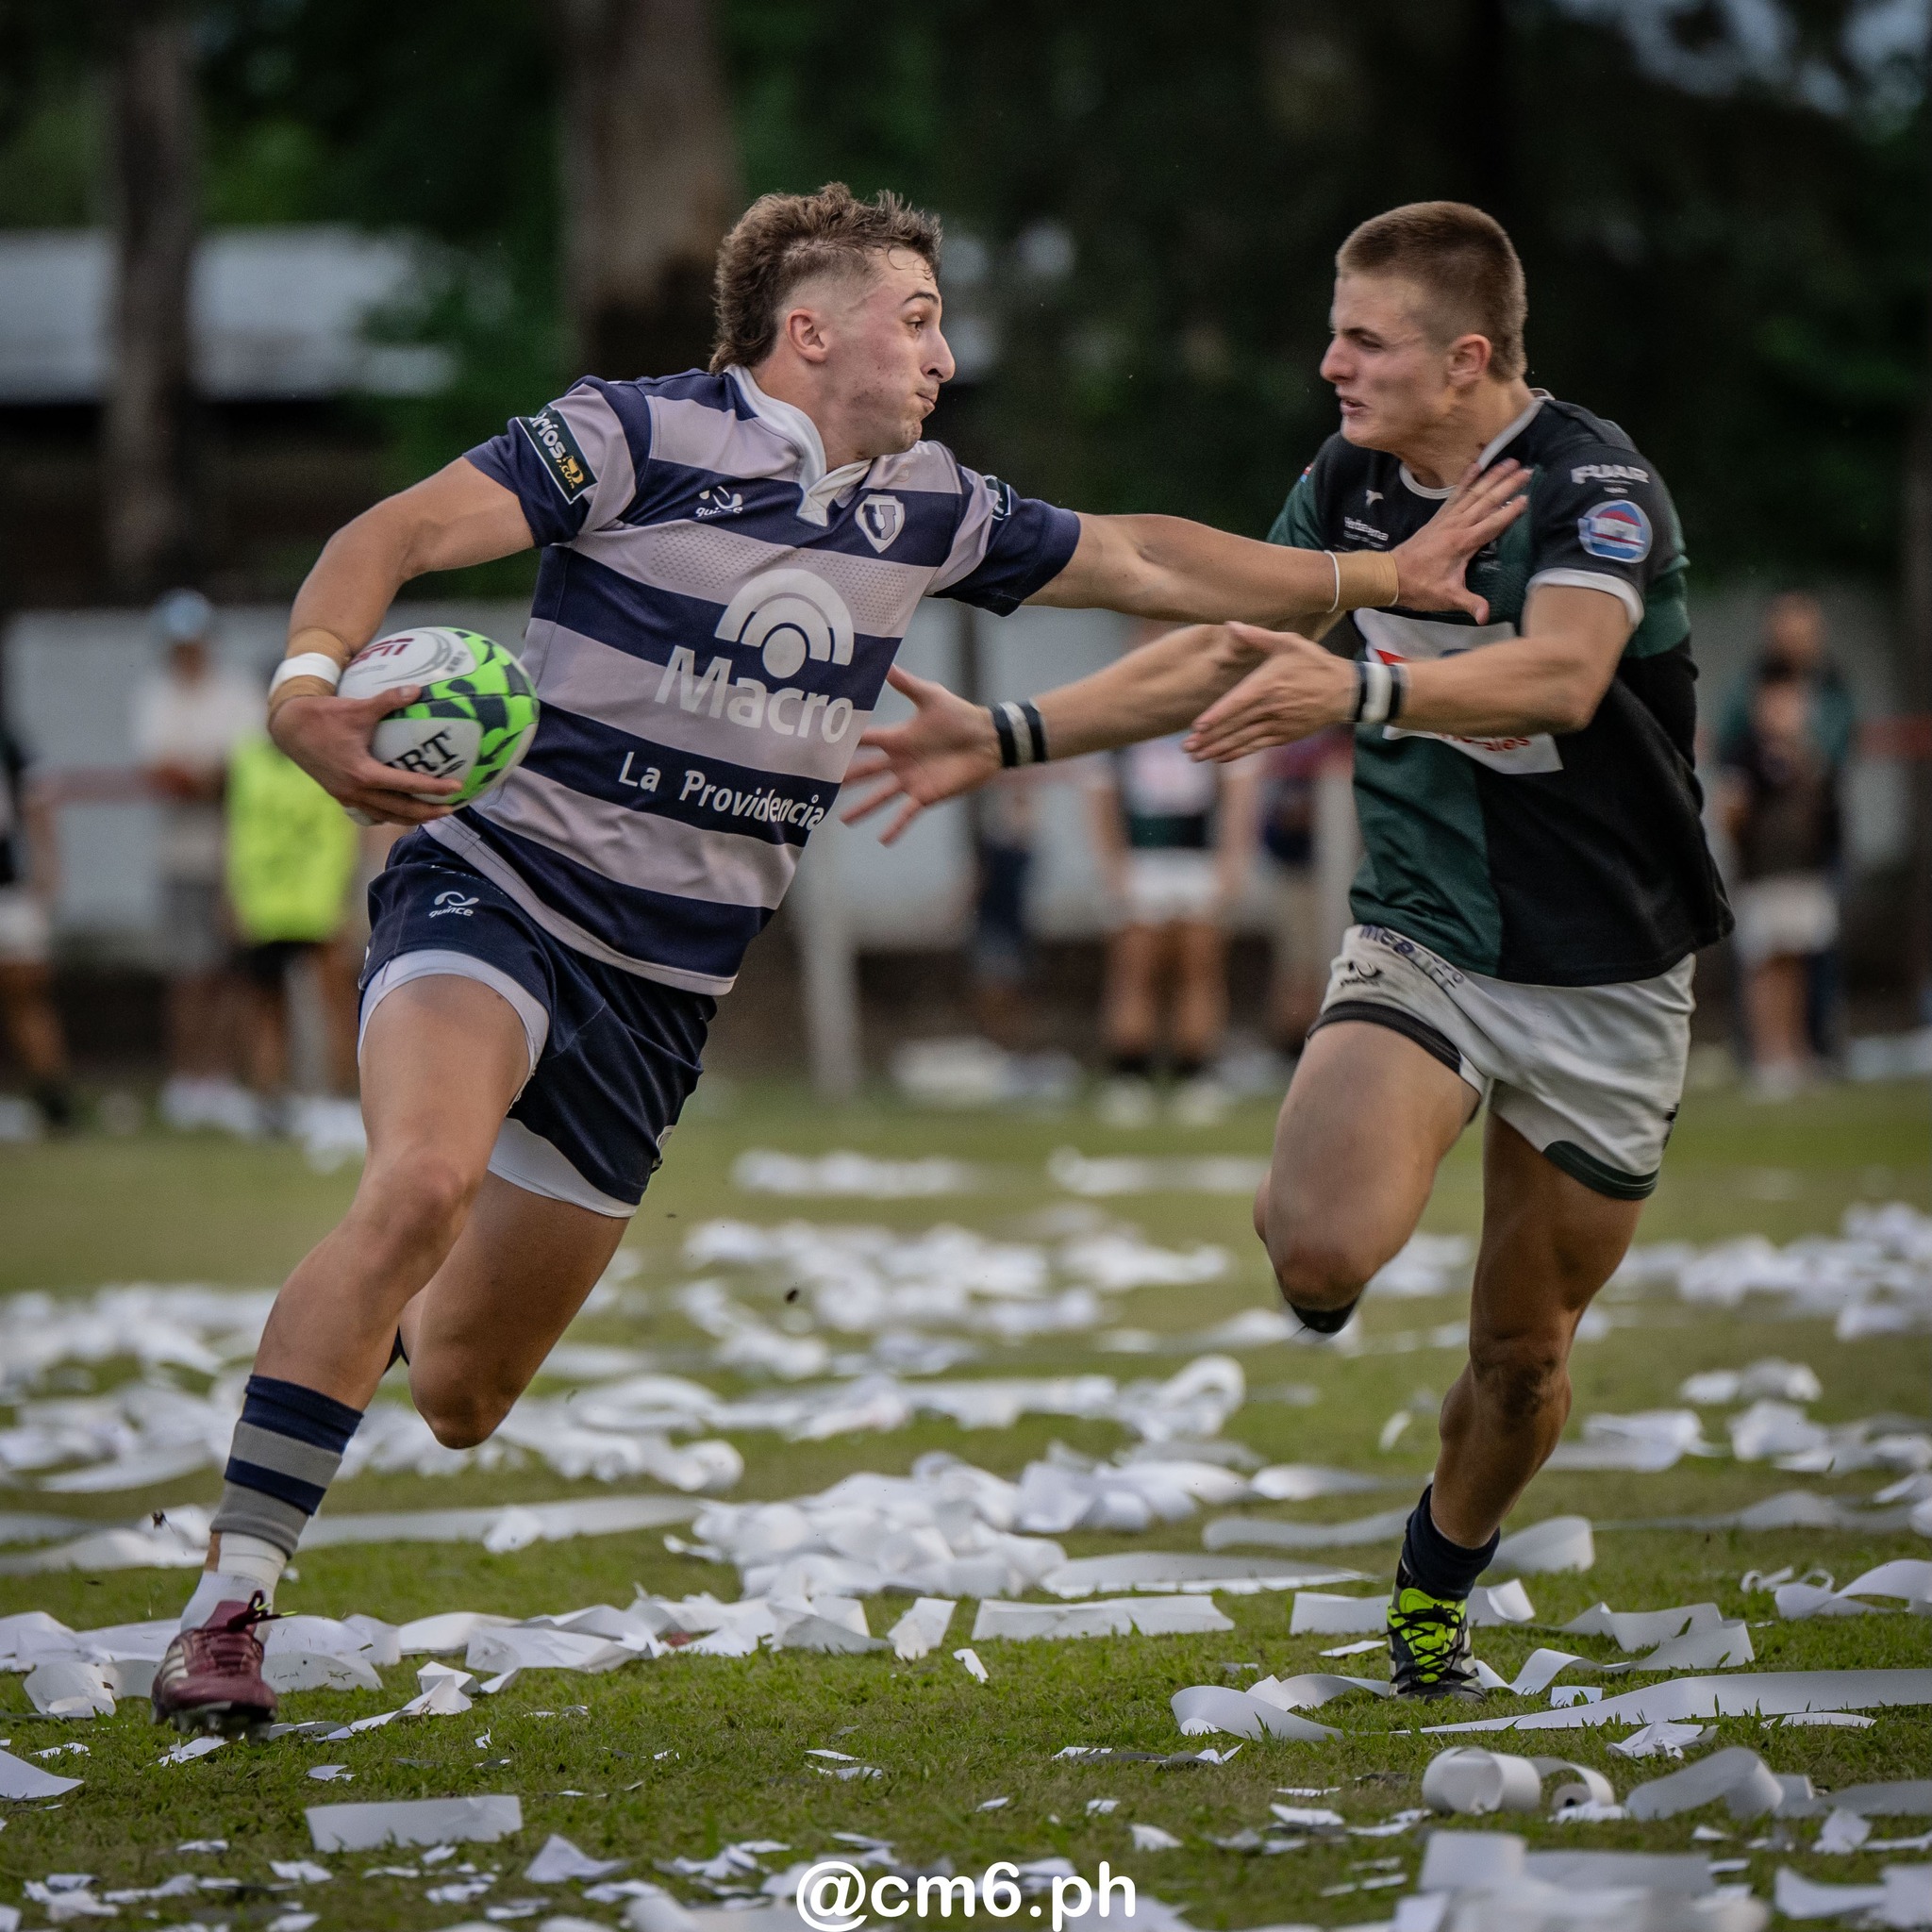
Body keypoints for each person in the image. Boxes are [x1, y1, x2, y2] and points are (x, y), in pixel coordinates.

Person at [149, 182, 1525, 1731]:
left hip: (663, 996)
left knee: (461, 1392)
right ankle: (229, 1605)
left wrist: (1372, 580)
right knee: (415, 1184)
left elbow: (1144, 559)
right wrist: (300, 688)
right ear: (810, 332)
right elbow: (391, 528)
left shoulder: (926, 503)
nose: (942, 353)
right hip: (498, 891)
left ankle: (369, 1322)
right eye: (917, 318)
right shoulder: (632, 437)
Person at [847, 201, 1731, 1700]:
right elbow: (1227, 646)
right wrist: (1008, 736)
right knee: (1317, 1244)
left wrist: (1360, 699)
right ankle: (1333, 1274)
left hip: (1612, 973)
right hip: (1431, 931)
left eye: (1363, 340)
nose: (1330, 363)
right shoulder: (1355, 483)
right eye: (1333, 331)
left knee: (1520, 1359)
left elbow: (1569, 673)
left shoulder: (1594, 485)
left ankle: (1436, 1583)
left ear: (1466, 358)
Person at [130, 591, 263, 1132]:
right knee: (188, 973)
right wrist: (211, 776)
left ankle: (223, 1081)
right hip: (182, 856)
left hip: (239, 851)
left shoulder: (235, 692)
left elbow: (246, 770)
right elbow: (163, 774)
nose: (188, 650)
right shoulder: (155, 693)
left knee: (232, 973)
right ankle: (187, 1082)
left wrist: (204, 776)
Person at [1086, 716, 1257, 1126]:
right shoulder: (1122, 720)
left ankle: (1195, 1071)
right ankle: (1130, 1072)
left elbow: (1238, 785)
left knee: (1200, 969)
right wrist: (1111, 863)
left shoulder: (1212, 717)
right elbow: (1100, 792)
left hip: (1197, 860)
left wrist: (1232, 861)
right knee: (1134, 969)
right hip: (1141, 862)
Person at [1716, 591, 1856, 1065]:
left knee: (1810, 952)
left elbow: (1835, 756)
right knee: (1761, 958)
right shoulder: (1747, 694)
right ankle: (1760, 1052)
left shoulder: (1833, 687)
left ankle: (1808, 1048)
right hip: (1762, 857)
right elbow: (1730, 786)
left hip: (1813, 848)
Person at [225, 729, 361, 1126]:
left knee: (333, 1006)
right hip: (269, 903)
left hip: (317, 900)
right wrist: (233, 897)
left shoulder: (325, 755)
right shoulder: (247, 760)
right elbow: (237, 830)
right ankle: (271, 1106)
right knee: (270, 1010)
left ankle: (341, 1103)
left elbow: (345, 831)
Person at [1720, 664, 1840, 1096]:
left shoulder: (1811, 753)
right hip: (1762, 875)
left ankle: (1796, 1051)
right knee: (1764, 965)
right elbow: (1730, 811)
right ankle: (1767, 1057)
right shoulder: (1747, 753)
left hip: (1803, 872)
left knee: (1797, 960)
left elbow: (1826, 813)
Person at [0, 725, 75, 1131]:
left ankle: (54, 1101)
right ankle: (55, 1104)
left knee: (28, 1000)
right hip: (14, 896)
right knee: (30, 1004)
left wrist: (46, 872)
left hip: (12, 892)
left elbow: (37, 803)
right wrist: (48, 872)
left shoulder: (12, 744)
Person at [1257, 728, 1347, 1056]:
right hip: (1301, 870)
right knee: (1299, 967)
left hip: (1341, 875)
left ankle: (1323, 1048)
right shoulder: (1299, 748)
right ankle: (1292, 1051)